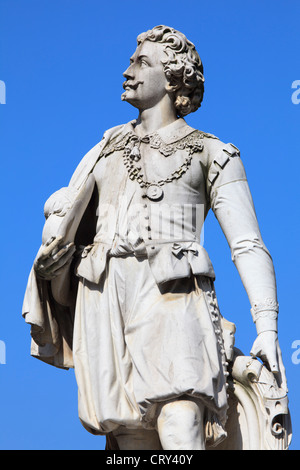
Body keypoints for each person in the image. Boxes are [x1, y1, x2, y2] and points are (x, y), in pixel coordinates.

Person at [23, 25, 286, 450]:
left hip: (175, 297)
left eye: (141, 62)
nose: (127, 71)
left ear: (172, 79)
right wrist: (51, 268)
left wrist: (267, 326)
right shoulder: (105, 148)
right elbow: (66, 237)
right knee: (131, 440)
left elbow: (247, 244)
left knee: (182, 417)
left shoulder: (212, 152)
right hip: (107, 301)